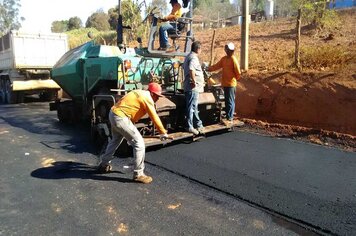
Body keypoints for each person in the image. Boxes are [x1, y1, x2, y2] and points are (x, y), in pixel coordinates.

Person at [97, 83, 170, 184]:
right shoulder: (147, 97)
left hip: (113, 114)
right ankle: (138, 174)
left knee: (115, 140)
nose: (158, 98)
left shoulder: (139, 92)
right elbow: (154, 116)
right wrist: (163, 132)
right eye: (157, 96)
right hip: (121, 117)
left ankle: (104, 165)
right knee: (139, 144)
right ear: (152, 93)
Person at [207, 42, 243, 124]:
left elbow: (238, 73)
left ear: (232, 51)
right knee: (227, 101)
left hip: (231, 84)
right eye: (226, 50)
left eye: (229, 50)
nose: (227, 51)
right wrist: (209, 69)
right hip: (225, 83)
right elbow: (217, 66)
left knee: (230, 101)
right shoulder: (224, 59)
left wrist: (234, 79)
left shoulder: (233, 60)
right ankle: (228, 116)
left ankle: (230, 117)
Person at [183, 41, 204, 135]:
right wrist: (194, 81)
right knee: (191, 107)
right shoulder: (193, 58)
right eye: (201, 49)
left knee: (193, 106)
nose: (201, 51)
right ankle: (190, 126)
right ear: (198, 49)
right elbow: (192, 69)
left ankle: (199, 124)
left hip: (190, 86)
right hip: (192, 87)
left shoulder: (188, 56)